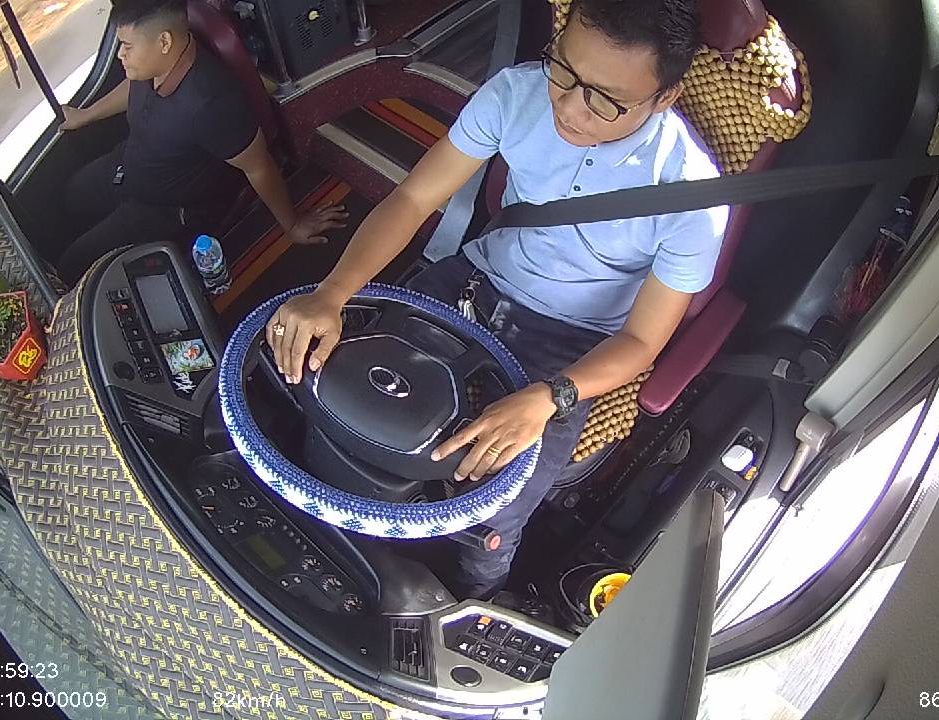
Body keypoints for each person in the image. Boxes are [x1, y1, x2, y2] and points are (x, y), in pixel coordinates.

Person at [266, 0, 728, 600]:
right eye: (565, 70)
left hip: (573, 343)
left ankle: (475, 596)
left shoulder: (692, 199)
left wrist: (549, 397)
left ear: (663, 98)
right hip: (474, 278)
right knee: (335, 379)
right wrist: (332, 293)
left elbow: (641, 341)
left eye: (605, 101)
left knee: (496, 505)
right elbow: (413, 199)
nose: (568, 107)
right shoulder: (517, 92)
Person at [55, 0, 347, 281]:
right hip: (128, 166)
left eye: (127, 46)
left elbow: (259, 166)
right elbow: (134, 86)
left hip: (163, 208)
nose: (120, 54)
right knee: (70, 196)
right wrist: (86, 115)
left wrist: (293, 224)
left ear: (164, 42)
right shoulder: (150, 67)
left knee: (72, 265)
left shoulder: (210, 104)